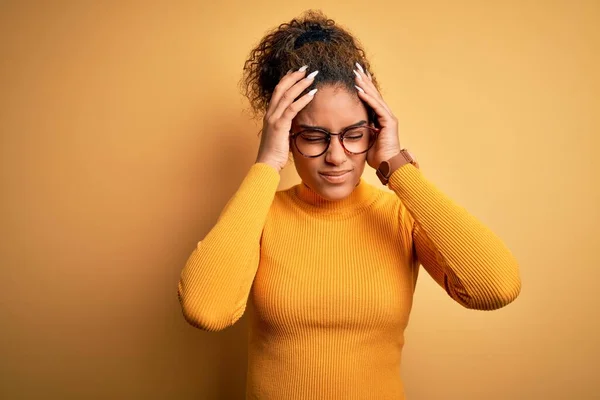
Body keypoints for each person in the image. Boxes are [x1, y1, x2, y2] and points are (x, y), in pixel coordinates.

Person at [177, 10, 521, 400]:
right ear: (287, 136)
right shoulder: (259, 215)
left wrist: (397, 166)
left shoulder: (399, 215)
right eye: (313, 136)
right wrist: (266, 164)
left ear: (374, 132)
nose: (337, 156)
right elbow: (206, 309)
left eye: (353, 135)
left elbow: (496, 287)